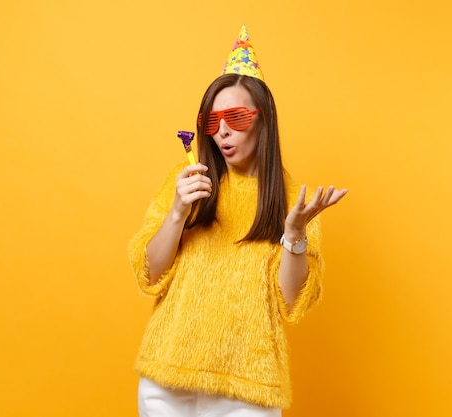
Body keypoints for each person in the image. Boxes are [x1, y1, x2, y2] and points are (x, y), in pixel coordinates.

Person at [128, 25, 348, 417]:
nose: (223, 131)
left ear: (265, 119)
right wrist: (178, 212)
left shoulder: (292, 200)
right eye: (211, 122)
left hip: (247, 390)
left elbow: (292, 302)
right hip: (167, 380)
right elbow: (149, 273)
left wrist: (293, 234)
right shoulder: (187, 183)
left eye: (236, 117)